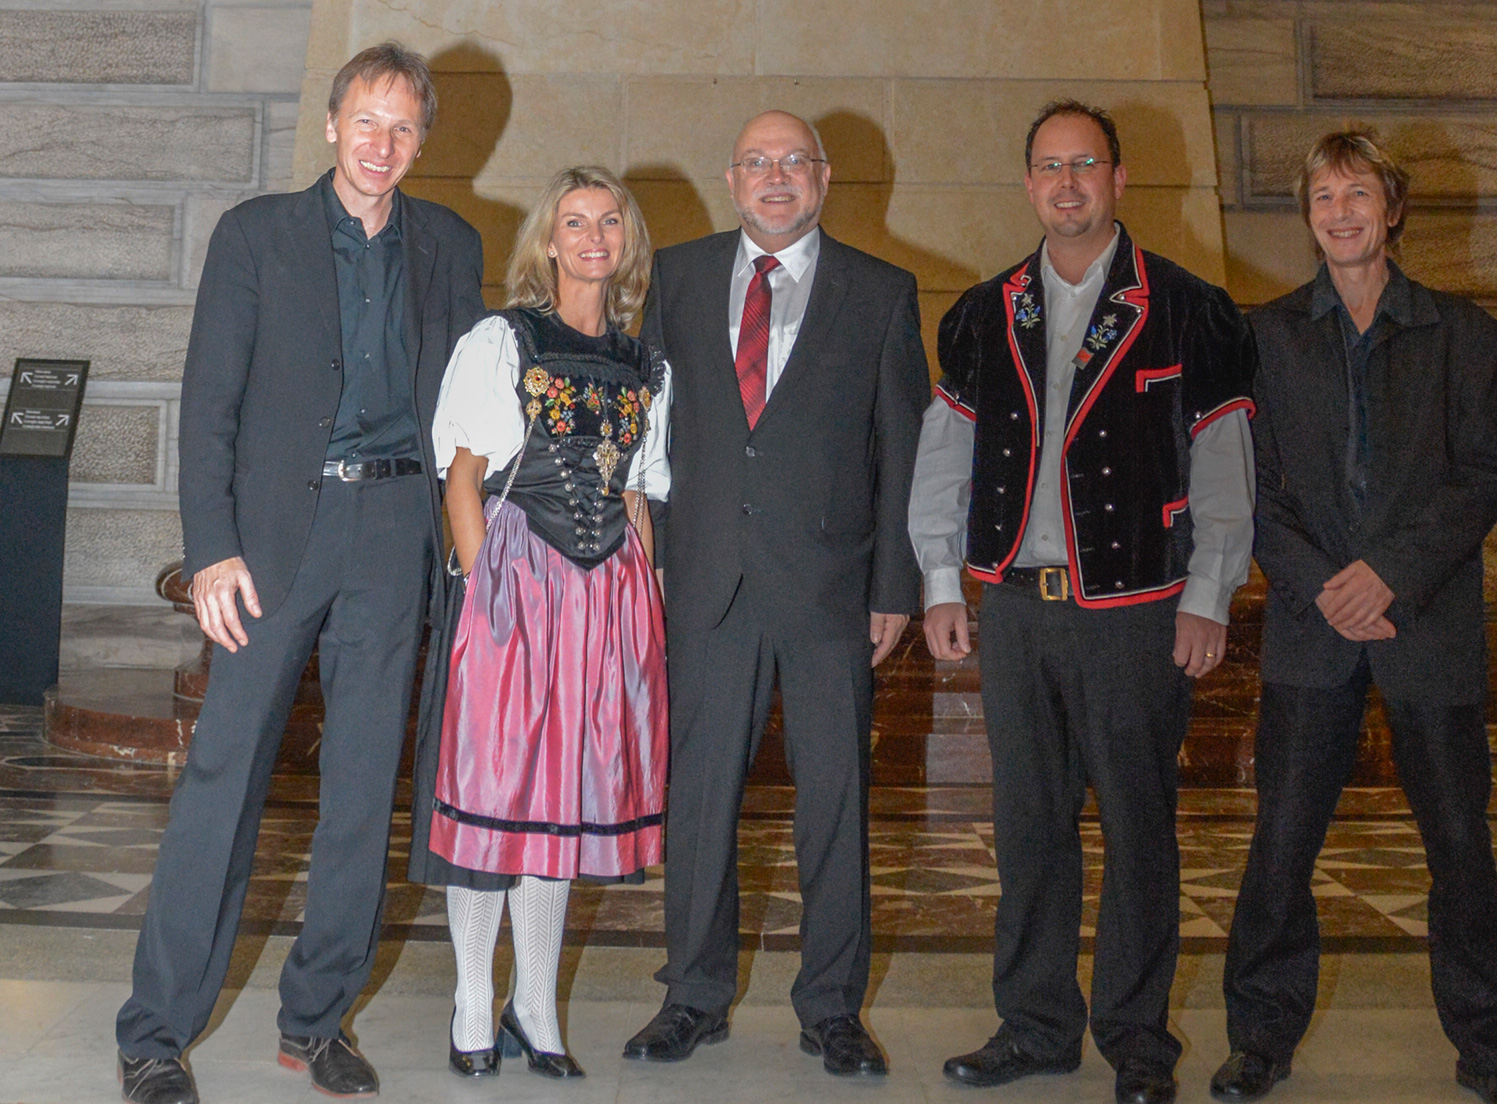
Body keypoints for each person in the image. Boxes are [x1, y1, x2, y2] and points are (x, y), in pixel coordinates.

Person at [113, 43, 484, 1104]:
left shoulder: (452, 243)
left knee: (364, 790)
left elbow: (469, 411)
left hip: (394, 534)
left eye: (404, 128)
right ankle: (154, 1032)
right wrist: (211, 548)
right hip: (274, 541)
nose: (383, 146)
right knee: (223, 782)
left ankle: (317, 1021)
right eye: (367, 122)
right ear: (331, 124)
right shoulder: (255, 236)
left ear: (423, 139)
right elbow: (209, 404)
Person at [909, 99, 1257, 1104]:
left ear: (1115, 180)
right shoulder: (982, 313)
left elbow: (1223, 461)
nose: (1066, 184)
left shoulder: (1189, 308)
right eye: (1048, 167)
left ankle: (1138, 1043)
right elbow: (946, 458)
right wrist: (941, 578)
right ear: (1027, 183)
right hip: (1015, 608)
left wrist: (1208, 594)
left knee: (1138, 827)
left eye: (1085, 165)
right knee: (1025, 827)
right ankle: (1035, 1025)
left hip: (1139, 608)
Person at [1209, 128, 1497, 1104]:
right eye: (1322, 199)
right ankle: (1257, 1042)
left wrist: (1386, 576)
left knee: (1458, 845)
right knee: (1279, 843)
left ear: (1390, 211)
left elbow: (1487, 473)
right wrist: (1325, 582)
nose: (1340, 214)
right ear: (1306, 218)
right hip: (1311, 631)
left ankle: (1489, 1052)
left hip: (1425, 626)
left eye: (1357, 195)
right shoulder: (1263, 335)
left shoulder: (1462, 334)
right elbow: (1252, 488)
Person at [621, 110, 930, 1077]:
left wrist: (896, 586)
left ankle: (832, 1007)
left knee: (834, 802)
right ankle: (694, 995)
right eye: (757, 161)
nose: (776, 176)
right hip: (705, 582)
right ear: (731, 176)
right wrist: (658, 551)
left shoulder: (881, 291)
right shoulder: (673, 277)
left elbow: (903, 448)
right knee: (700, 800)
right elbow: (650, 435)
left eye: (793, 161)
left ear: (824, 177)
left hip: (833, 593)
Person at [405, 166, 669, 1082]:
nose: (593, 237)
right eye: (575, 222)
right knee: (500, 792)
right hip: (519, 580)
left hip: (609, 595)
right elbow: (463, 478)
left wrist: (650, 610)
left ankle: (535, 1004)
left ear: (626, 243)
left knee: (565, 798)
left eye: (609, 223)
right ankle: (475, 999)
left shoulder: (646, 362)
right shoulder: (503, 339)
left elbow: (635, 491)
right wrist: (487, 595)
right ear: (549, 242)